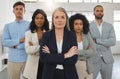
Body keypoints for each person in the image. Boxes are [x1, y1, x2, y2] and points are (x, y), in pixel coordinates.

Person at [40, 7, 79, 79]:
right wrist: (66, 55)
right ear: (53, 20)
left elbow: (73, 59)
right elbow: (43, 58)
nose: (59, 20)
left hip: (69, 74)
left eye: (62, 17)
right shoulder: (46, 35)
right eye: (57, 17)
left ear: (66, 20)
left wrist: (51, 56)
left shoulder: (72, 35)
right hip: (49, 74)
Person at [2, 1, 29, 79]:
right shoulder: (7, 26)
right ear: (13, 11)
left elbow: (30, 42)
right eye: (17, 9)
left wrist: (15, 46)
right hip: (12, 61)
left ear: (24, 11)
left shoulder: (30, 25)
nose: (19, 11)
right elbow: (4, 42)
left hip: (27, 60)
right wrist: (19, 41)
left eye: (21, 9)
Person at [89, 5, 116, 79]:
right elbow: (89, 43)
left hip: (108, 60)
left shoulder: (109, 26)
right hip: (93, 60)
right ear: (93, 13)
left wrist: (97, 41)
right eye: (97, 11)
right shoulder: (88, 26)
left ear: (103, 13)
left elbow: (113, 41)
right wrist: (106, 43)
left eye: (101, 11)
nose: (99, 12)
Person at [23, 9, 49, 79]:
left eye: (41, 18)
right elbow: (28, 50)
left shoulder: (49, 33)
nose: (39, 20)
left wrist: (34, 48)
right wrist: (42, 47)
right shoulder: (28, 33)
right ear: (34, 19)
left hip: (45, 65)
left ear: (45, 20)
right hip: (32, 67)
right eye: (37, 18)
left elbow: (51, 50)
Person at [69, 13, 96, 79]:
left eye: (81, 24)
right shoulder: (69, 36)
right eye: (76, 24)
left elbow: (93, 51)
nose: (79, 26)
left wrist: (77, 52)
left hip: (87, 67)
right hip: (73, 66)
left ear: (83, 25)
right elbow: (67, 53)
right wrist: (86, 51)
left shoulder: (87, 35)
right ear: (72, 25)